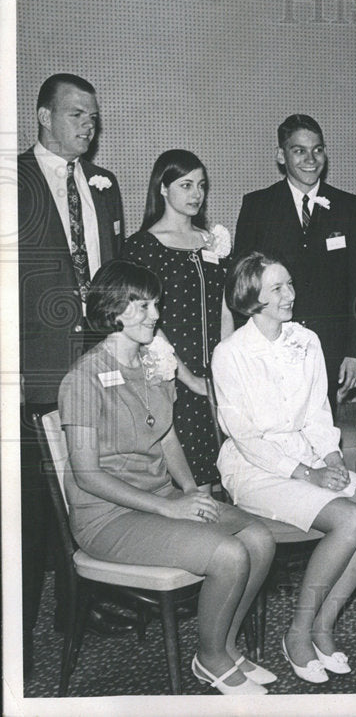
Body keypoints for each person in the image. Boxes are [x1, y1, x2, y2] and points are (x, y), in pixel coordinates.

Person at [57, 260, 276, 695]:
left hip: (159, 498)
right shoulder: (82, 379)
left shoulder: (153, 361)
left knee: (260, 538)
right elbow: (86, 474)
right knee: (229, 554)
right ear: (112, 310)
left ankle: (223, 648)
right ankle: (211, 659)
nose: (155, 315)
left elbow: (167, 437)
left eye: (155, 304)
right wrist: (170, 505)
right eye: (141, 306)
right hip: (107, 518)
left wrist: (192, 490)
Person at [212, 252, 356, 684]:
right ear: (251, 297)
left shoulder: (306, 341)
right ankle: (296, 634)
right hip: (255, 467)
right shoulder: (230, 353)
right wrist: (307, 474)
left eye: (290, 284)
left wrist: (331, 458)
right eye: (277, 288)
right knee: (350, 519)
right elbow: (246, 438)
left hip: (310, 453)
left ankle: (322, 625)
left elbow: (317, 411)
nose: (290, 295)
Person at [17, 73, 128, 673]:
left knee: (87, 488)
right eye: (76, 115)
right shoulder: (15, 178)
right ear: (42, 116)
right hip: (35, 368)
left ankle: (76, 609)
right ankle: (22, 632)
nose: (87, 127)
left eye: (93, 118)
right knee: (36, 509)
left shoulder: (104, 187)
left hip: (93, 369)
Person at [234, 114, 356, 413]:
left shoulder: (346, 205)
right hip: (272, 343)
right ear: (281, 156)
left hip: (330, 349)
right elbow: (243, 284)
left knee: (323, 432)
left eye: (317, 150)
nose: (311, 159)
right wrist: (250, 348)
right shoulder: (257, 205)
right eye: (299, 151)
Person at [124, 150, 233, 487]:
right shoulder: (144, 246)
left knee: (229, 476)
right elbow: (148, 323)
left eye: (201, 185)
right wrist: (190, 379)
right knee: (195, 484)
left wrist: (226, 369)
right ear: (163, 188)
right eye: (186, 185)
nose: (196, 194)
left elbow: (225, 308)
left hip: (216, 374)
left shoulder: (211, 241)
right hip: (171, 376)